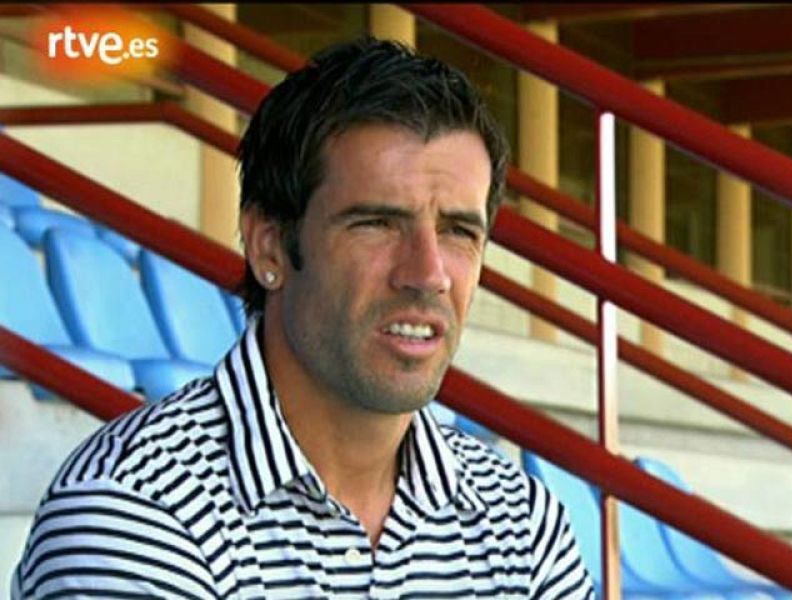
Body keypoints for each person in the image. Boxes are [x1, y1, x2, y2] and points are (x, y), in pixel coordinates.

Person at [13, 37, 595, 599]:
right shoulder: (134, 509)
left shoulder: (523, 521)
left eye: (459, 231)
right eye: (376, 224)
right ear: (269, 247)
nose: (428, 273)